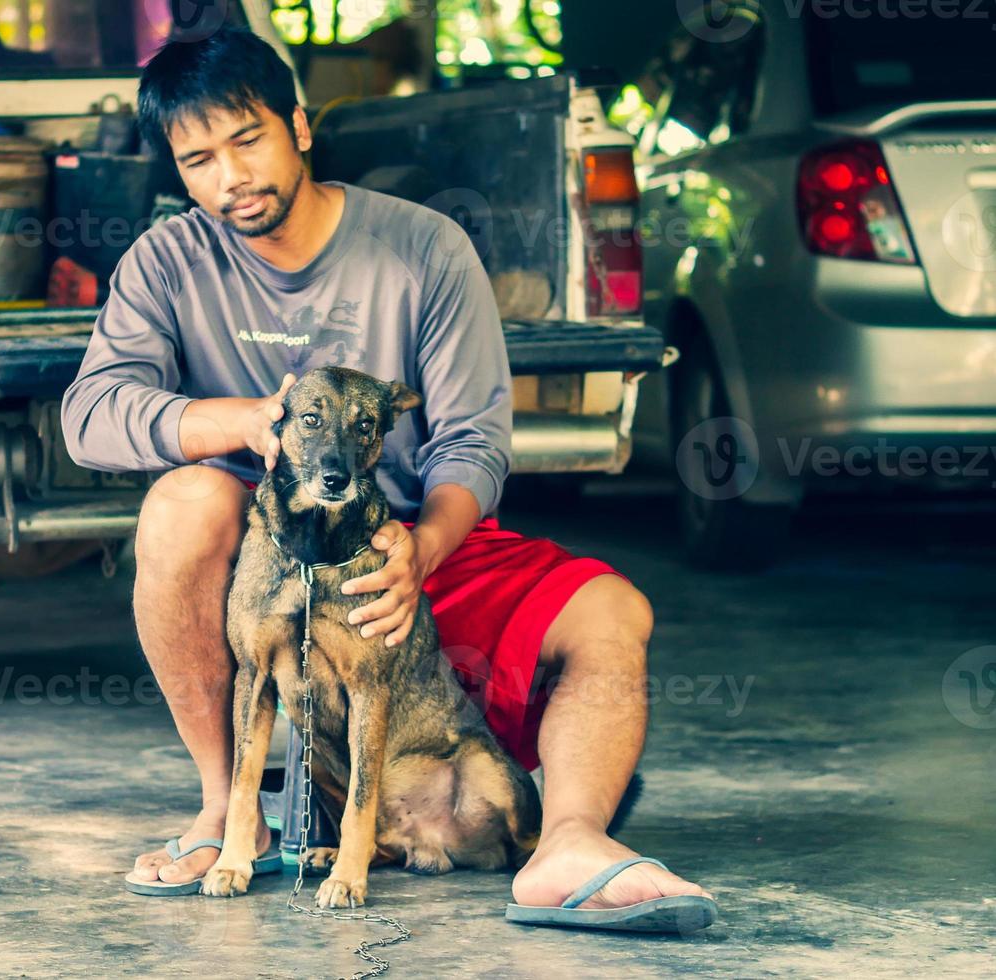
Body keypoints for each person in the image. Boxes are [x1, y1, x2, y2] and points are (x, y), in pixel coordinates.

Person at [59, 25, 714, 928]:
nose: (229, 178)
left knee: (613, 611)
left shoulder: (423, 248)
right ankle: (226, 814)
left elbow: (474, 442)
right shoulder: (167, 262)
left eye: (247, 140)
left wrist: (422, 548)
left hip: (402, 541)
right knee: (182, 503)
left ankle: (565, 844)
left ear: (298, 125)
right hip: (272, 546)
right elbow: (90, 415)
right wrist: (245, 422)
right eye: (198, 159)